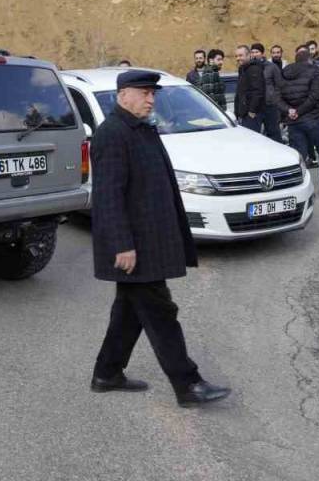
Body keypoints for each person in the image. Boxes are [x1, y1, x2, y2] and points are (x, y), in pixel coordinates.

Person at [89, 69, 232, 407]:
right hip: (136, 246)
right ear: (123, 95)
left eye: (153, 93)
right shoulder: (112, 134)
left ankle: (106, 374)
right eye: (144, 93)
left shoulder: (140, 130)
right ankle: (188, 385)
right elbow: (108, 195)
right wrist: (122, 244)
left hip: (150, 241)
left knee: (129, 311)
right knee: (161, 313)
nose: (151, 99)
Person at [276, 49, 319, 197]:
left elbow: (277, 96)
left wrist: (289, 111)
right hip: (311, 118)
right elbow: (315, 96)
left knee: (299, 157)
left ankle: (296, 190)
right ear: (308, 60)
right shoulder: (313, 71)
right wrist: (299, 111)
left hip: (293, 121)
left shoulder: (284, 72)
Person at [252, 43, 284, 143]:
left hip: (270, 105)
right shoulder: (249, 67)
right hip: (255, 106)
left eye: (256, 52)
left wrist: (275, 99)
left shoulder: (271, 67)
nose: (254, 54)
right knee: (255, 134)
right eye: (252, 52)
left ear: (262, 53)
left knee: (274, 133)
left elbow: (279, 85)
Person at [233, 45, 266, 133]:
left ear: (249, 55)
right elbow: (240, 92)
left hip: (251, 115)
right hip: (243, 114)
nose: (238, 58)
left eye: (240, 55)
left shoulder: (254, 69)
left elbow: (258, 91)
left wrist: (252, 111)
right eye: (236, 56)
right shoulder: (243, 69)